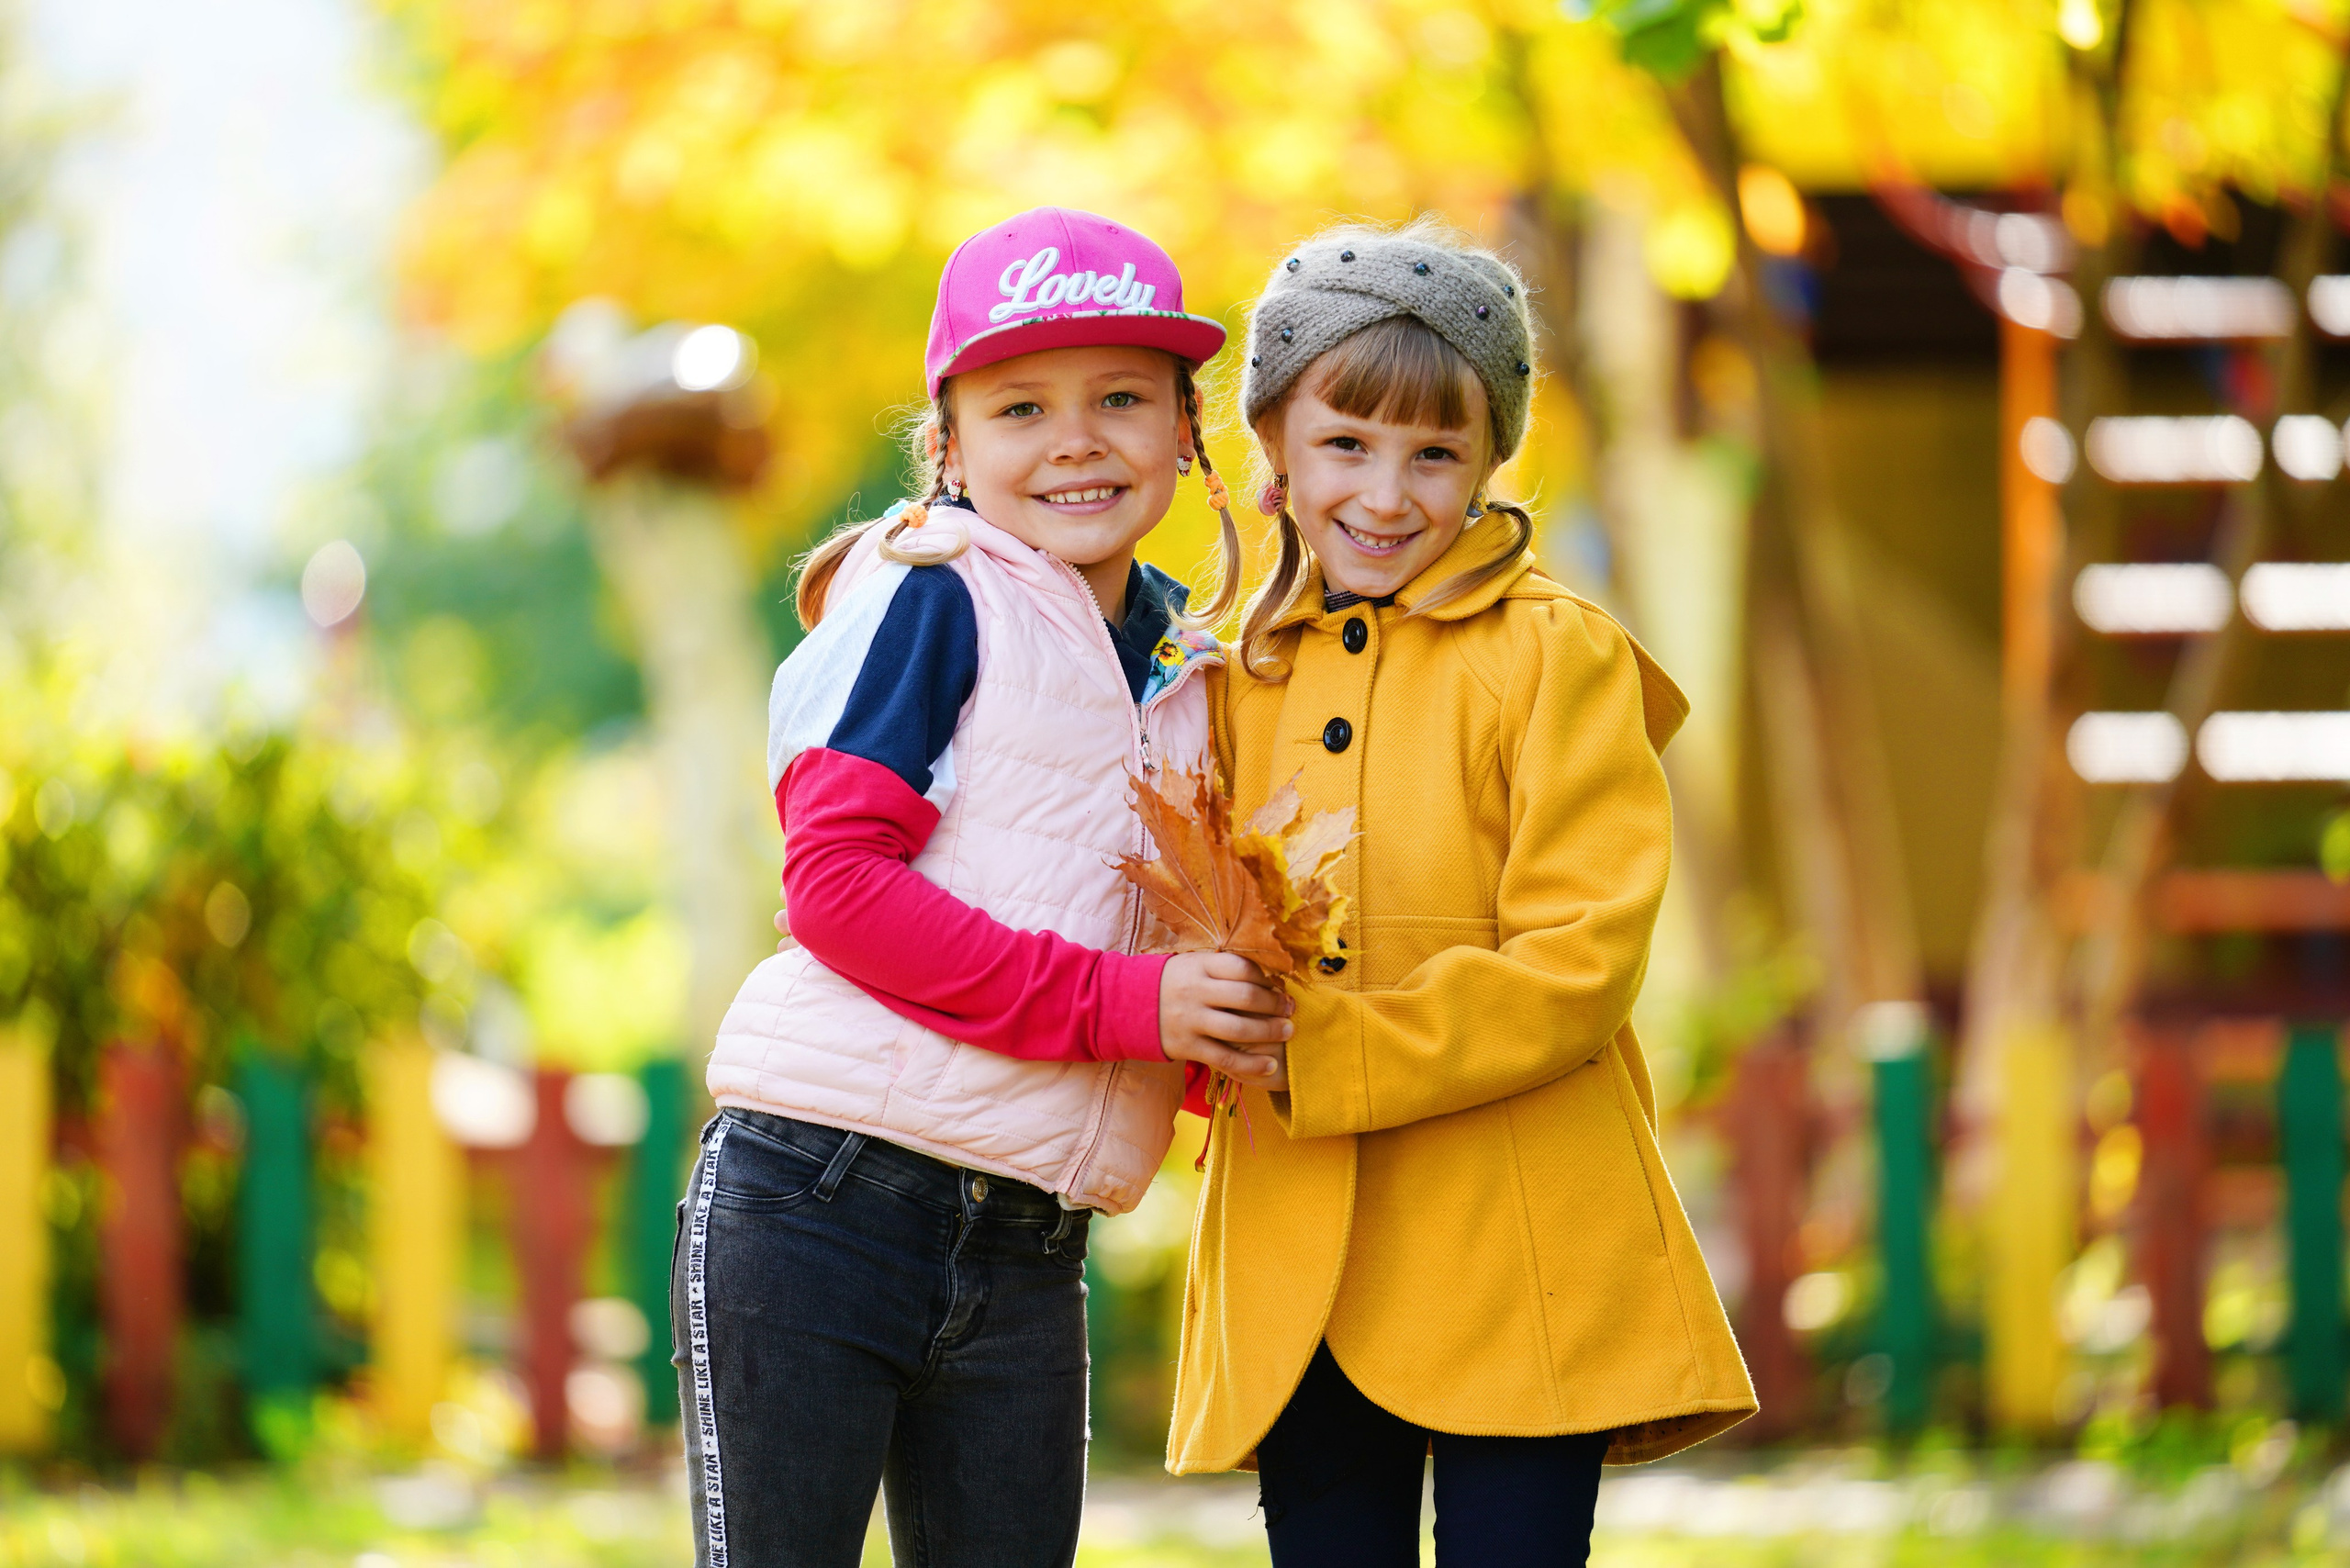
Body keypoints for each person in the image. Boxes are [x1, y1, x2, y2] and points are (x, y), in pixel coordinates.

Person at [681, 207, 1292, 1568]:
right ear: (950, 447)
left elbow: (1122, 926)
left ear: (1187, 430)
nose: (1076, 440)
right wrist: (1134, 1008)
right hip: (820, 1205)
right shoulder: (933, 593)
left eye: (1121, 398)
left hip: (1026, 1246)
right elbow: (836, 887)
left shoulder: (1190, 659)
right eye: (1022, 407)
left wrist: (1207, 1041)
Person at [1167, 220, 1758, 1567]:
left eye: (1436, 453)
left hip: (1520, 1241)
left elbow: (1581, 959)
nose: (1388, 493)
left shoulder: (1556, 657)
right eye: (1346, 445)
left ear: (1492, 460)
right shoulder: (1223, 674)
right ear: (1273, 441)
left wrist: (1332, 1047)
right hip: (1300, 1254)